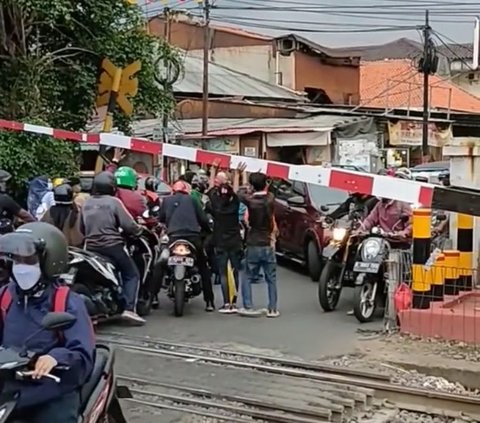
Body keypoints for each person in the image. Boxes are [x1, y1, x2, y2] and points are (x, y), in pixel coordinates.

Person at [0, 222, 95, 423]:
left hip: (52, 390)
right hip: (9, 385)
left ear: (49, 262)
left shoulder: (66, 302)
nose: (21, 267)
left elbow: (82, 352)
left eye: (29, 260)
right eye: (17, 260)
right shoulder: (5, 296)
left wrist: (55, 358)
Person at [80, 171, 146, 325]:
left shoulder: (86, 203)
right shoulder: (114, 202)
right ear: (112, 187)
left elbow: (81, 228)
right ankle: (129, 309)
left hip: (90, 248)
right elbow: (128, 225)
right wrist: (139, 231)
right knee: (131, 274)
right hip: (112, 246)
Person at [159, 180, 215, 311]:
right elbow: (203, 219)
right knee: (203, 266)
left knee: (160, 263)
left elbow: (161, 218)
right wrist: (208, 229)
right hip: (192, 237)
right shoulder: (193, 200)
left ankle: (153, 297)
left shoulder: (166, 200)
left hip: (173, 237)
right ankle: (209, 302)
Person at [238, 172, 280, 318]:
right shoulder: (270, 199)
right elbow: (268, 190)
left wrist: (243, 179)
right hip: (267, 242)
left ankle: (248, 305)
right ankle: (272, 308)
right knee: (271, 278)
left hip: (253, 242)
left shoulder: (250, 201)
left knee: (247, 276)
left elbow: (240, 192)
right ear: (266, 184)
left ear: (252, 186)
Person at [207, 167, 244, 314]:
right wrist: (237, 175)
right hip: (234, 241)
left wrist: (212, 170)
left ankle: (226, 303)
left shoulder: (215, 204)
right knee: (234, 272)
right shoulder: (234, 204)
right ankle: (234, 303)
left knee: (223, 273)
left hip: (220, 241)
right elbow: (236, 192)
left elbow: (210, 190)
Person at [106, 148, 146, 219]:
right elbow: (146, 216)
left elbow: (106, 177)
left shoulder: (109, 194)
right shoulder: (137, 198)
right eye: (136, 180)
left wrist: (114, 161)